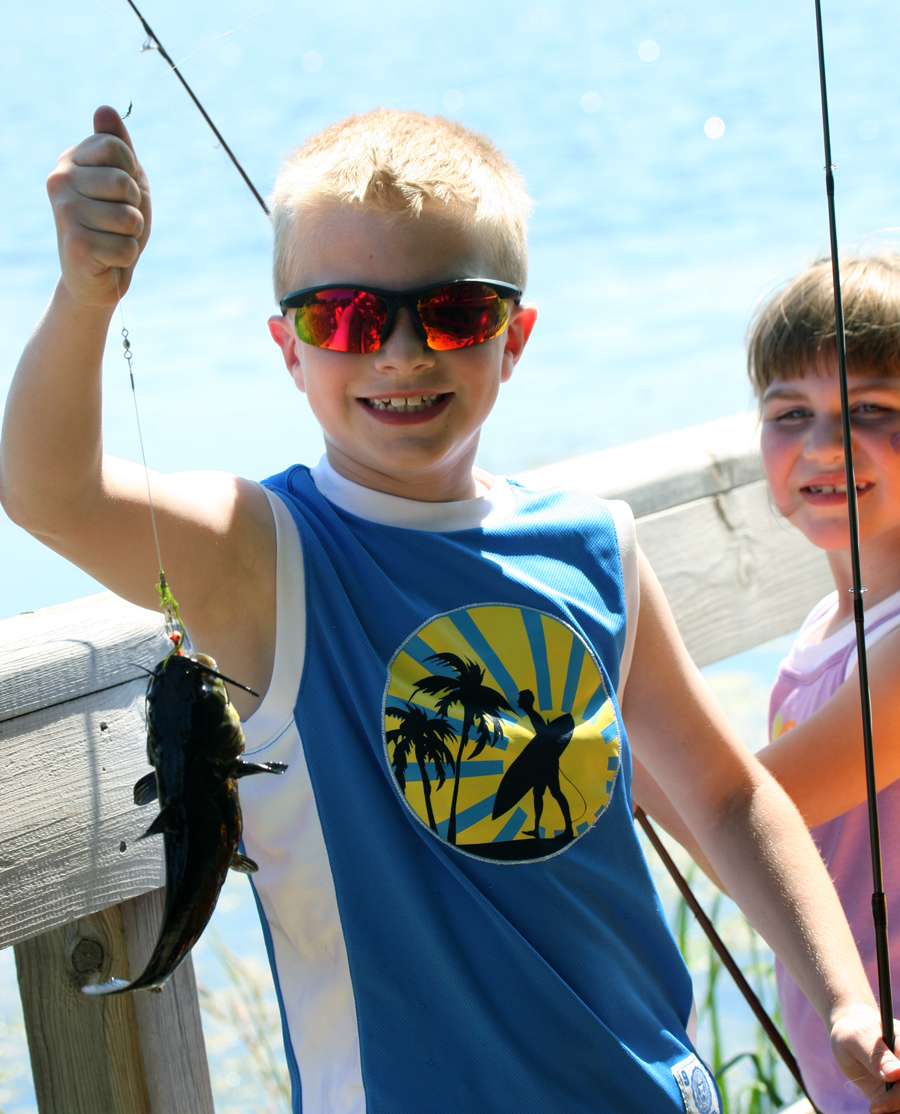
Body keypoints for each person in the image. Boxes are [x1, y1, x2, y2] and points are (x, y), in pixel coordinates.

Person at [1, 106, 899, 1114]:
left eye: (456, 314)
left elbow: (728, 797)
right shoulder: (263, 554)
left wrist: (845, 994)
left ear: (512, 339)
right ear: (288, 349)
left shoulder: (595, 543)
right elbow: (49, 489)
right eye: (342, 316)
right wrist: (85, 297)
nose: (399, 351)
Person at [636, 254, 900, 1114]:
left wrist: (609, 736)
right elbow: (758, 839)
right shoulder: (828, 630)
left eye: (873, 410)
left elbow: (746, 813)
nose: (825, 444)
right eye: (791, 412)